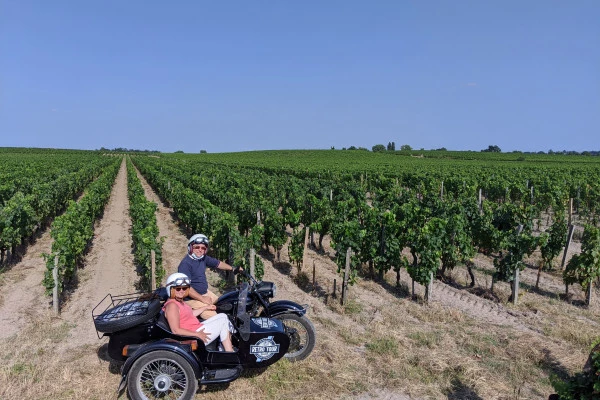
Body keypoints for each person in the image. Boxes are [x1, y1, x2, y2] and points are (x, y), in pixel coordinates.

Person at [163, 272, 234, 352]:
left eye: (184, 288)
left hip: (196, 328)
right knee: (223, 322)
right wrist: (197, 335)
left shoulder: (179, 302)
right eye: (178, 289)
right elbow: (175, 330)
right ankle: (229, 351)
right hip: (193, 336)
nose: (182, 291)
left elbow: (190, 314)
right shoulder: (172, 306)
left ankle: (224, 347)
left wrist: (206, 307)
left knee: (223, 316)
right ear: (170, 289)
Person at [177, 233, 242, 319]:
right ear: (190, 247)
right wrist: (202, 298)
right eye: (197, 247)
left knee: (226, 304)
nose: (200, 250)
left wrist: (233, 268)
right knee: (216, 319)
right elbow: (186, 288)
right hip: (192, 299)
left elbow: (218, 264)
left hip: (205, 293)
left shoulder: (203, 258)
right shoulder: (185, 264)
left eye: (203, 248)